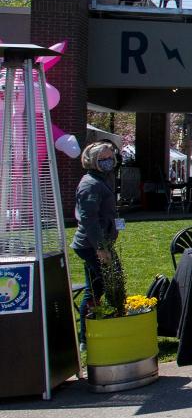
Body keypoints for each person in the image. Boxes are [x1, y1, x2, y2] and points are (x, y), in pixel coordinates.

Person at [72, 141, 120, 332]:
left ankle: (90, 331)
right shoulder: (90, 184)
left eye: (110, 158)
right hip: (90, 245)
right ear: (93, 161)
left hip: (98, 242)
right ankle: (89, 332)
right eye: (104, 159)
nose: (109, 161)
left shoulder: (101, 179)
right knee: (105, 284)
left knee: (95, 287)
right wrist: (100, 248)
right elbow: (89, 219)